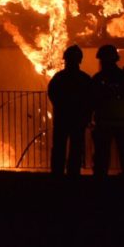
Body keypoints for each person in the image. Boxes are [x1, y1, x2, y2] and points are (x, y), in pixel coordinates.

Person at [91, 44, 124, 177]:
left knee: (102, 157)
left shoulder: (98, 79)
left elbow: (91, 100)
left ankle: (100, 185)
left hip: (104, 124)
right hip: (123, 123)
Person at [48, 44, 93, 176]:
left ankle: (57, 173)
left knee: (59, 147)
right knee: (76, 148)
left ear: (65, 59)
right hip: (77, 119)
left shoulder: (59, 78)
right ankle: (73, 173)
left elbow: (52, 94)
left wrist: (61, 107)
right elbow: (90, 99)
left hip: (62, 118)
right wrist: (86, 115)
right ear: (80, 60)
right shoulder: (85, 79)